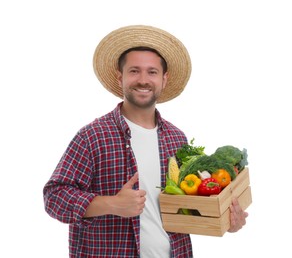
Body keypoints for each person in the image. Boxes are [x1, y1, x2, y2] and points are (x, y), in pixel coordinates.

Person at [43, 25, 248, 258]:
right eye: (134, 71)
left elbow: (187, 209)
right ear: (120, 77)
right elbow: (54, 197)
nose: (143, 80)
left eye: (152, 72)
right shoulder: (93, 137)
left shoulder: (176, 139)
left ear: (164, 79)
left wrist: (225, 220)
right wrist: (111, 204)